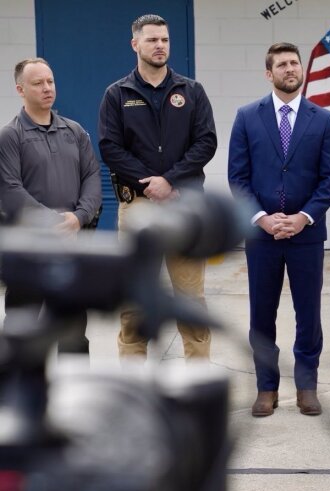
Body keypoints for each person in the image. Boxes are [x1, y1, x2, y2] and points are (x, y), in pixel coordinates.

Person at [228, 42, 330, 417]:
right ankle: (266, 388)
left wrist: (303, 217)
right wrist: (261, 218)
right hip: (262, 235)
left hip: (306, 235)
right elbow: (238, 177)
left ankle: (307, 386)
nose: (290, 68)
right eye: (282, 64)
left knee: (308, 314)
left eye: (294, 63)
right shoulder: (247, 117)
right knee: (262, 314)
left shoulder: (322, 119)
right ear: (269, 73)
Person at [98, 14, 217, 361]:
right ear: (135, 44)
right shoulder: (117, 94)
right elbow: (110, 148)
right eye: (152, 40)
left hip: (185, 205)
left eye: (164, 40)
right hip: (138, 207)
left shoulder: (192, 91)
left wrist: (171, 181)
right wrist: (151, 184)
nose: (160, 46)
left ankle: (198, 380)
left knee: (191, 300)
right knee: (135, 301)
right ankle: (134, 381)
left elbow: (206, 142)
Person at [0, 58, 102, 354]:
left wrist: (78, 218)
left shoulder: (74, 131)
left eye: (50, 81)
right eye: (38, 83)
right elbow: (10, 189)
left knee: (73, 333)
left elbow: (92, 177)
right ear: (20, 89)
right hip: (28, 252)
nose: (47, 88)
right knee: (23, 331)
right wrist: (54, 222)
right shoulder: (10, 136)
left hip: (72, 248)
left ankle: (75, 384)